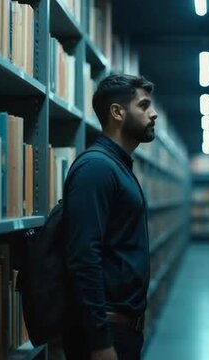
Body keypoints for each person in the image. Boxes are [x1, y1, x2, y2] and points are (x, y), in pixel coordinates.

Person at [62, 74, 158, 360]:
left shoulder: (117, 166)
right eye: (143, 106)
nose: (153, 114)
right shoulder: (97, 168)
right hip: (105, 333)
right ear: (117, 112)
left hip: (122, 329)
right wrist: (100, 342)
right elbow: (83, 257)